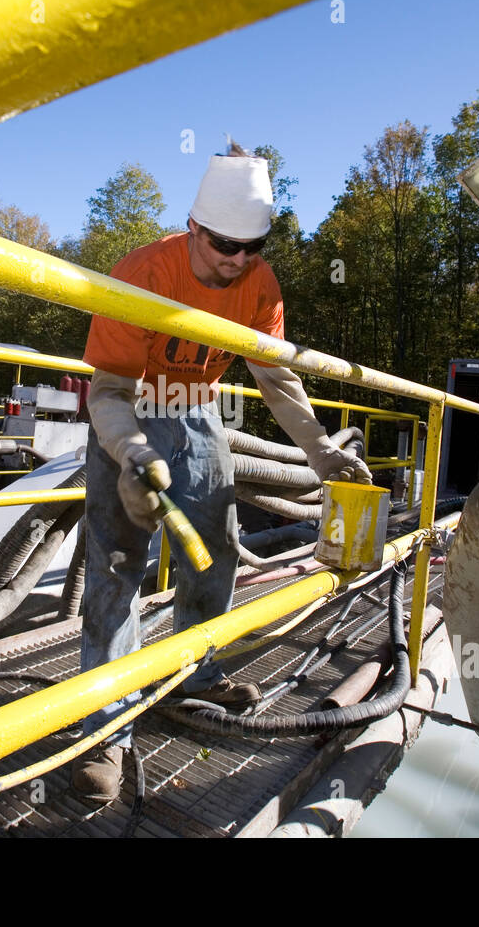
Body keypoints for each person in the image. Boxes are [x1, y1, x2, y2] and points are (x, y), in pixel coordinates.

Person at [72, 145, 373, 802]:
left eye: (251, 247)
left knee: (213, 557)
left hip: (199, 413)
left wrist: (321, 452)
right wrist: (131, 455)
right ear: (194, 227)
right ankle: (104, 734)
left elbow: (275, 376)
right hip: (131, 415)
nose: (237, 260)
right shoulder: (142, 273)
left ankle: (193, 678)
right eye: (224, 245)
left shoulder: (259, 285)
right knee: (117, 573)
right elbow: (109, 393)